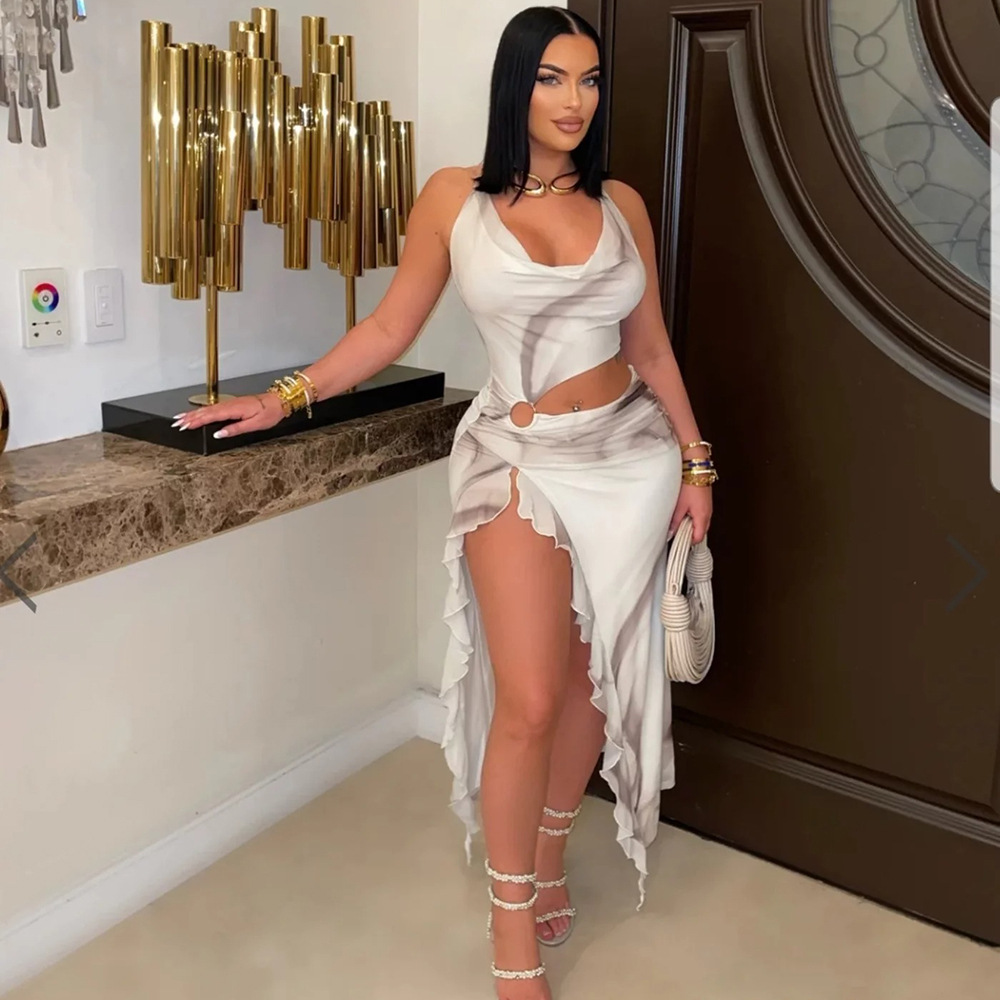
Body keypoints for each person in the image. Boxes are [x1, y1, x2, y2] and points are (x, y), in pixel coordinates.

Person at [173, 7, 714, 997]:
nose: (575, 102)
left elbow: (649, 348)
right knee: (530, 700)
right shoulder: (453, 198)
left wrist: (695, 465)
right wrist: (284, 395)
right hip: (515, 460)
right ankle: (511, 927)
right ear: (516, 84)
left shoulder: (621, 204)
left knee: (593, 687)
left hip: (628, 460)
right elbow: (388, 327)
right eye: (553, 78)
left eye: (591, 81)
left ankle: (547, 853)